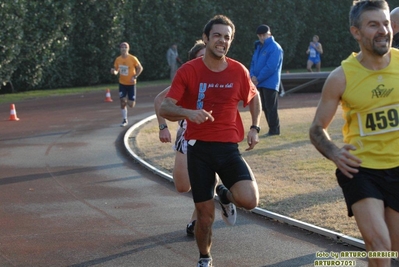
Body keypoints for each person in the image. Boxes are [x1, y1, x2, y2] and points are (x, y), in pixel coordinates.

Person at [160, 15, 261, 267]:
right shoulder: (189, 71)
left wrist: (255, 127)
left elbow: (254, 97)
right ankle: (205, 258)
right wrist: (188, 112)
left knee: (250, 200)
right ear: (205, 39)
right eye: (217, 35)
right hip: (199, 150)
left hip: (228, 149)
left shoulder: (238, 70)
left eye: (227, 37)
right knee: (205, 218)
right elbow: (165, 105)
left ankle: (224, 195)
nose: (222, 41)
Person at [309, 1, 399, 266]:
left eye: (385, 23)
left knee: (392, 249)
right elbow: (316, 128)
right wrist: (335, 152)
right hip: (361, 169)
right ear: (356, 32)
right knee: (380, 245)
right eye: (373, 25)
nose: (383, 30)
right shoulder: (341, 77)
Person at [154, 39, 206, 237]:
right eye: (200, 57)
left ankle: (196, 220)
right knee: (182, 186)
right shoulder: (187, 78)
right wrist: (162, 128)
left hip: (213, 137)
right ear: (192, 62)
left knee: (206, 182)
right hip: (186, 136)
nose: (205, 60)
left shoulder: (221, 76)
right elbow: (159, 100)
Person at [249, 24, 283, 137]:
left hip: (270, 82)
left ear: (269, 34)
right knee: (264, 106)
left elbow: (271, 67)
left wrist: (257, 78)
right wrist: (252, 76)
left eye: (264, 35)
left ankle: (274, 129)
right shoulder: (258, 47)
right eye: (260, 35)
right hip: (259, 82)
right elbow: (253, 63)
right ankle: (272, 129)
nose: (262, 37)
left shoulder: (275, 48)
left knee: (271, 106)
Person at [110, 42, 143, 127]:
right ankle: (124, 119)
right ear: (120, 49)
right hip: (122, 83)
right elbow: (116, 69)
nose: (123, 49)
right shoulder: (118, 59)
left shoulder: (132, 58)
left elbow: (140, 68)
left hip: (131, 84)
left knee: (131, 104)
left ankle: (128, 102)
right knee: (122, 101)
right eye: (122, 47)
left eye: (125, 47)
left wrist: (135, 76)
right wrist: (114, 72)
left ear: (128, 49)